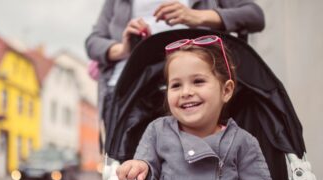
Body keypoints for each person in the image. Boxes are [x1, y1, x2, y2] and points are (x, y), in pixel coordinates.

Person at [116, 35, 308, 180]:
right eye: (176, 85)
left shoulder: (243, 141)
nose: (186, 92)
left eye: (198, 81)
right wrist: (140, 171)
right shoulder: (158, 132)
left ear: (226, 90)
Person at [85, 0, 265, 118]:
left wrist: (197, 17)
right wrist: (124, 49)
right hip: (128, 90)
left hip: (193, 82)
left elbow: (254, 16)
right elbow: (93, 41)